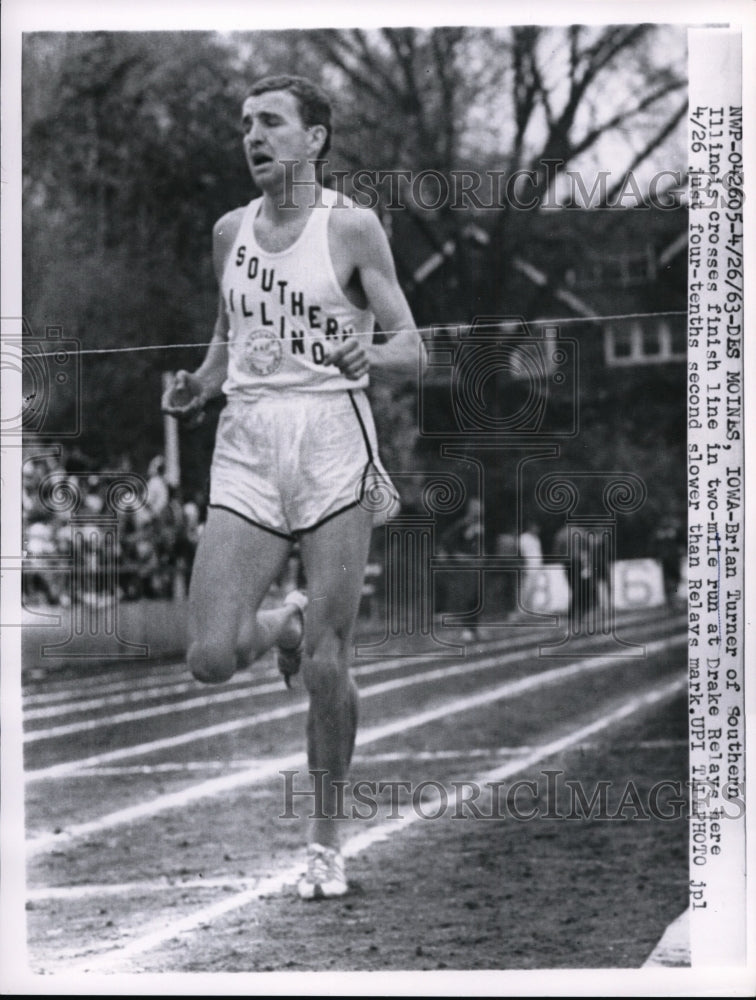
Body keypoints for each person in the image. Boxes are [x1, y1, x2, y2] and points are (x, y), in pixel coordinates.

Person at [162, 75, 425, 899]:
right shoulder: (226, 232)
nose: (253, 135)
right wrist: (199, 385)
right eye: (245, 124)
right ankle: (282, 621)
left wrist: (369, 354)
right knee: (208, 656)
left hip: (330, 442)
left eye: (271, 122)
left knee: (328, 663)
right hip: (246, 443)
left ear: (314, 139)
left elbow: (412, 349)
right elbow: (224, 336)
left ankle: (323, 842)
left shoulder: (350, 227)